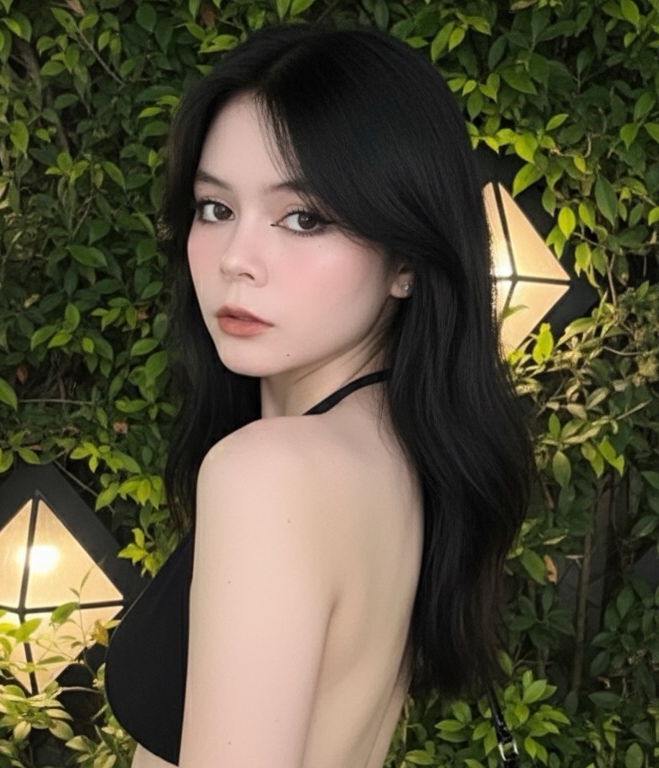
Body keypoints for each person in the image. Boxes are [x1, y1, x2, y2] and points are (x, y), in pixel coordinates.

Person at [105, 23, 531, 768]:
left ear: (406, 259)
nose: (237, 260)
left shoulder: (271, 475)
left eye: (303, 218)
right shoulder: (396, 453)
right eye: (215, 208)